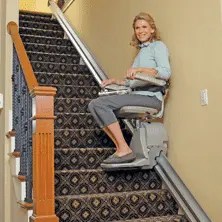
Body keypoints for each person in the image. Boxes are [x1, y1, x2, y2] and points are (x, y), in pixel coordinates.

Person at [88, 12, 171, 164]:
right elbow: (132, 82)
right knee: (94, 105)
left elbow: (165, 73)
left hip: (151, 98)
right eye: (137, 28)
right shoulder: (141, 52)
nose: (141, 31)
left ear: (152, 29)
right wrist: (116, 81)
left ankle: (124, 149)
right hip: (138, 94)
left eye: (144, 27)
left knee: (100, 104)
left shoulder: (158, 46)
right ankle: (122, 148)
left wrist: (140, 70)